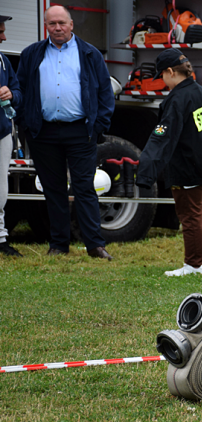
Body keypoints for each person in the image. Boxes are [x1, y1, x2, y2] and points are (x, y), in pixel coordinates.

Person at [15, 6, 114, 259]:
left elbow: (105, 92)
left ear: (71, 24)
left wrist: (99, 124)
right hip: (44, 132)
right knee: (53, 190)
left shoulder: (90, 54)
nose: (57, 28)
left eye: (61, 23)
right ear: (45, 26)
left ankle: (95, 245)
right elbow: (21, 90)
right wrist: (28, 123)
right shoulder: (31, 54)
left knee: (84, 188)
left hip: (81, 132)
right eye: (51, 24)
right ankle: (59, 245)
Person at [136, 49, 202, 276]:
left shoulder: (176, 99)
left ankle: (193, 265)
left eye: (161, 76)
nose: (162, 82)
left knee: (190, 215)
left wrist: (145, 171)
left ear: (170, 71)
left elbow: (162, 137)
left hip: (187, 165)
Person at [0, 15, 22, 257]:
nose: (4, 37)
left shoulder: (3, 61)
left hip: (2, 132)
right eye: (0, 32)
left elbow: (18, 91)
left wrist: (12, 94)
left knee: (0, 189)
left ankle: (0, 238)